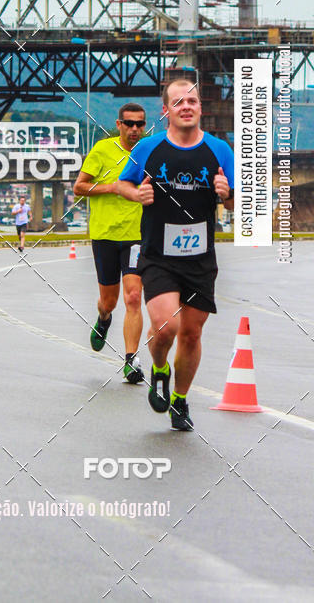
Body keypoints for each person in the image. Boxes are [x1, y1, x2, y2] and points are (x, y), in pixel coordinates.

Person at [117, 79, 234, 431]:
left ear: (201, 108)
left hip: (200, 258)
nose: (186, 106)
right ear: (166, 110)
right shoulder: (149, 148)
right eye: (178, 101)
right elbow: (124, 183)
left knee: (192, 334)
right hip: (158, 254)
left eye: (193, 101)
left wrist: (226, 194)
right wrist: (135, 194)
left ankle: (181, 400)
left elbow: (242, 202)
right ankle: (159, 368)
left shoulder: (220, 150)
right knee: (166, 325)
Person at [73, 103, 146, 384]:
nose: (134, 129)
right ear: (119, 124)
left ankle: (131, 361)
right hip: (104, 235)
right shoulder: (102, 150)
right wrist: (113, 187)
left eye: (139, 124)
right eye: (129, 123)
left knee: (133, 296)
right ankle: (103, 319)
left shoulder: (149, 152)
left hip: (136, 236)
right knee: (109, 301)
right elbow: (79, 187)